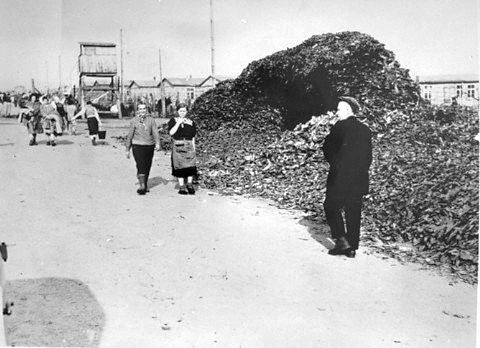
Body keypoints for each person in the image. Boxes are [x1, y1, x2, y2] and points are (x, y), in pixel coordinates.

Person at [322, 96, 372, 258]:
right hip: (359, 178)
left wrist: (336, 165)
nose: (336, 113)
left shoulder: (340, 127)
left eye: (339, 109)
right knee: (353, 211)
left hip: (340, 177)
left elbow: (328, 149)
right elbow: (368, 157)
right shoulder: (365, 130)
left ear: (348, 110)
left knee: (330, 206)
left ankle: (342, 241)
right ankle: (352, 248)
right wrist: (360, 171)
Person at [125, 103, 160, 195]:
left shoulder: (151, 120)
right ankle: (142, 186)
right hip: (137, 145)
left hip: (149, 145)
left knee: (147, 165)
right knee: (140, 164)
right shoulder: (134, 121)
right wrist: (127, 149)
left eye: (144, 109)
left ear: (146, 110)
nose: (142, 110)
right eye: (140, 109)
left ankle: (145, 183)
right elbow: (130, 135)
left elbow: (155, 132)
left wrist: (158, 143)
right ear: (137, 110)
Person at [168, 103, 197, 195]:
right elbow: (171, 132)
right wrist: (178, 123)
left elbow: (193, 137)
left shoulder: (191, 122)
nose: (182, 113)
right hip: (178, 144)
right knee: (179, 166)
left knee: (190, 165)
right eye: (180, 111)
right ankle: (181, 187)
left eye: (184, 111)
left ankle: (189, 184)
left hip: (189, 145)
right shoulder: (173, 120)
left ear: (187, 111)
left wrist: (194, 148)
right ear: (177, 111)